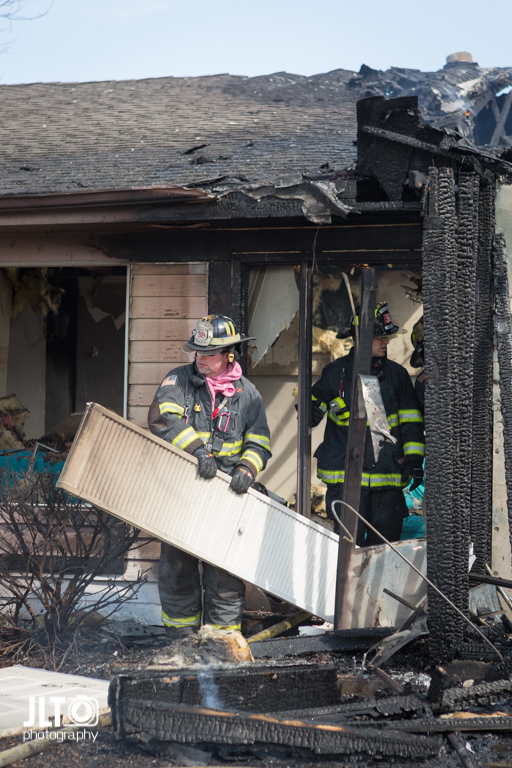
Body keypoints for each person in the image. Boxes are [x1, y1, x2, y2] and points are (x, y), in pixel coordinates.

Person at [148, 314, 272, 638]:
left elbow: (259, 442)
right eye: (197, 353)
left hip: (226, 502)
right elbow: (163, 419)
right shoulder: (178, 382)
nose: (200, 359)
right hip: (182, 498)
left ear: (230, 354)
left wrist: (246, 469)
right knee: (178, 574)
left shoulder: (249, 395)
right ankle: (181, 644)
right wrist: (198, 451)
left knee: (226, 581)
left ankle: (221, 647)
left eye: (208, 354)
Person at [311, 302, 424, 546]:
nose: (386, 342)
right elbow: (311, 412)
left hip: (387, 484)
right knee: (344, 550)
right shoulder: (335, 373)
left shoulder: (397, 376)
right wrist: (321, 407)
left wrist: (414, 461)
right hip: (345, 483)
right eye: (380, 337)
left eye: (387, 336)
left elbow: (411, 423)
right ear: (361, 339)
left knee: (383, 551)